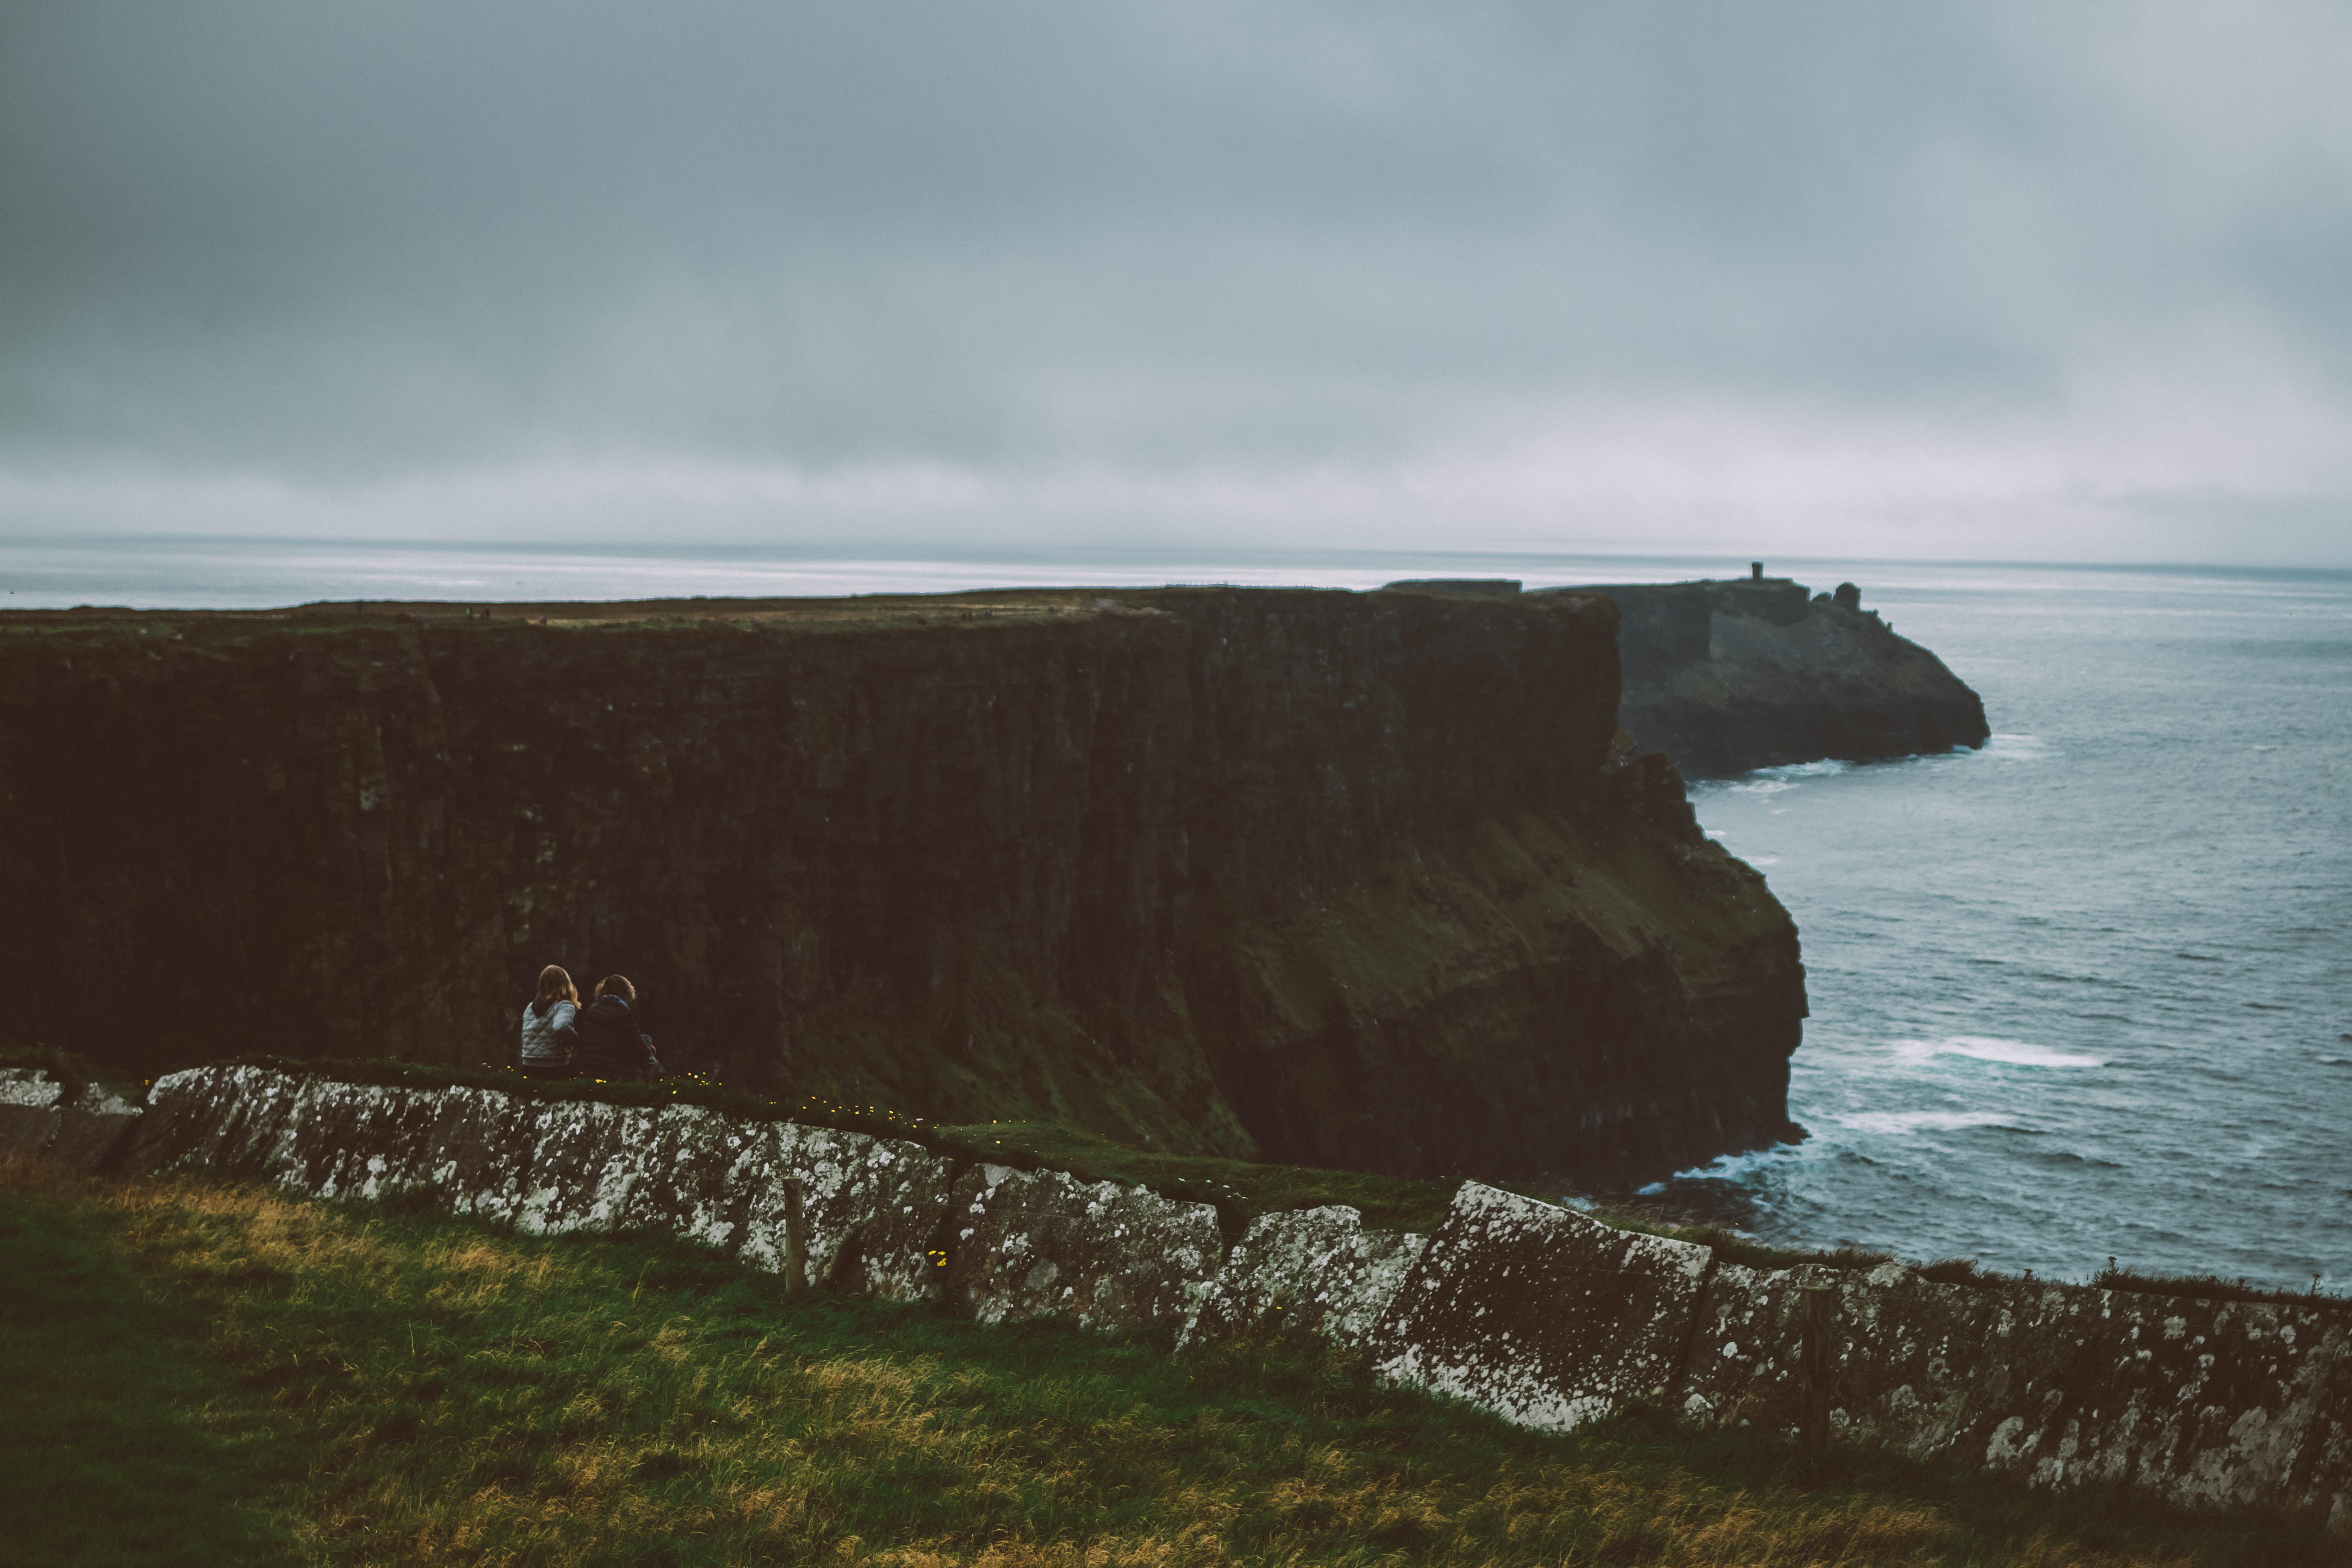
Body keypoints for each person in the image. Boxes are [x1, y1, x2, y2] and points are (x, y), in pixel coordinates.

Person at [574, 973, 661, 1081]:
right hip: (616, 1077)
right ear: (626, 994)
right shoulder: (625, 1016)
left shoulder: (591, 1011)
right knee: (654, 1065)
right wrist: (647, 1039)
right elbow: (643, 1054)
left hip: (588, 1074)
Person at [517, 965, 580, 1079]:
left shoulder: (530, 1007)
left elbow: (525, 1035)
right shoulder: (565, 1006)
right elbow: (560, 1026)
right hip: (554, 1066)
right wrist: (574, 1040)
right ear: (566, 984)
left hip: (528, 1065)